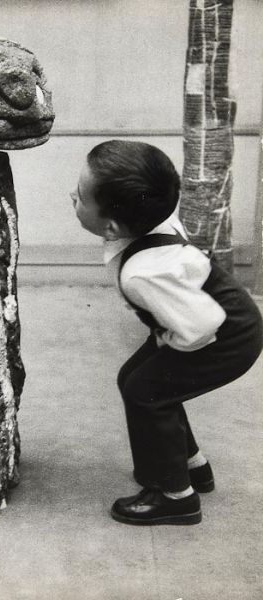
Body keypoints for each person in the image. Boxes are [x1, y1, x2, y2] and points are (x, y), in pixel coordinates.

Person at [70, 140, 262, 526]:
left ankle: (177, 497)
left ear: (111, 226)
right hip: (204, 319)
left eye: (80, 196)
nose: (71, 196)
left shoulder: (143, 273)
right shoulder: (150, 218)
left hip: (223, 336)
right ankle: (190, 466)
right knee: (135, 379)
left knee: (147, 391)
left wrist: (167, 341)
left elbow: (201, 325)